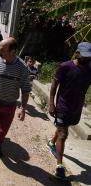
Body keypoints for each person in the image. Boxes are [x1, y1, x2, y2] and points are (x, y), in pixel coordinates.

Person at [47, 42, 91, 180]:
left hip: (76, 108)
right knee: (63, 134)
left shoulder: (90, 68)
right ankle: (59, 167)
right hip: (62, 106)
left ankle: (51, 142)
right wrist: (51, 104)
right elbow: (54, 85)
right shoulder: (65, 66)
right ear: (77, 53)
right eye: (84, 56)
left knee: (63, 129)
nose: (86, 59)